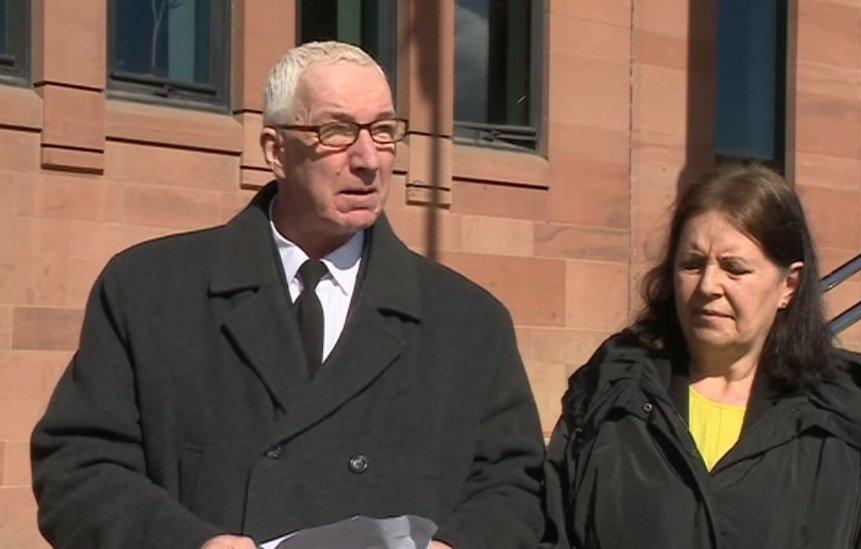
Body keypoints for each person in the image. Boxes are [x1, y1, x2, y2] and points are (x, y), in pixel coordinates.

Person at [31, 41, 544, 549]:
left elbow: (514, 486)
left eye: (384, 132)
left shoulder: (469, 321)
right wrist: (191, 544)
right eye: (337, 132)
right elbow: (78, 467)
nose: (368, 160)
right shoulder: (149, 290)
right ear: (276, 150)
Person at [542, 163, 861, 548]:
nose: (708, 285)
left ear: (789, 284)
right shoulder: (609, 397)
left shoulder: (842, 422)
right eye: (692, 264)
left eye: (734, 269)